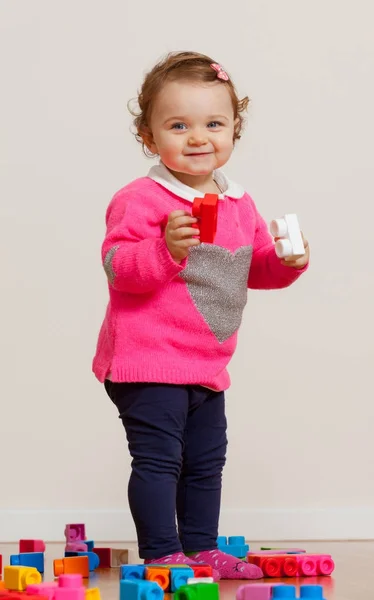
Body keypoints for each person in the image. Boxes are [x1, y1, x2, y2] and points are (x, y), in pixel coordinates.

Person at [92, 51, 310, 580]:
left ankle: (201, 546)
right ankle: (163, 553)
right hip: (147, 359)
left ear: (235, 129)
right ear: (148, 137)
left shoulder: (239, 203)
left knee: (207, 462)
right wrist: (166, 247)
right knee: (160, 461)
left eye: (214, 123)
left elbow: (252, 269)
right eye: (178, 125)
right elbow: (119, 267)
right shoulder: (141, 200)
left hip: (206, 363)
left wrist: (287, 262)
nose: (198, 138)